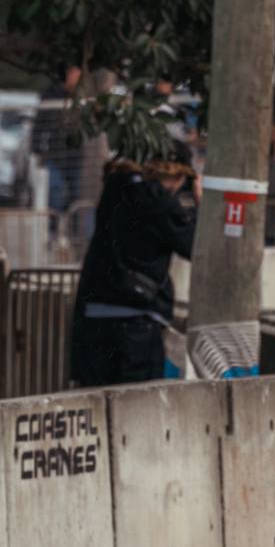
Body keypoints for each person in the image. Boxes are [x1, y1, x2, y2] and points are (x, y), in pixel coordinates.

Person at [70, 146, 199, 386]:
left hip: (93, 318)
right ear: (176, 175)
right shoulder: (159, 203)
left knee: (96, 409)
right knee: (136, 411)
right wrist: (201, 205)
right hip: (136, 325)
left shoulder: (114, 189)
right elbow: (197, 248)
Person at [34, 65, 85, 237]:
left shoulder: (82, 96)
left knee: (75, 198)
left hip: (75, 157)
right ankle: (52, 233)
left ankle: (74, 236)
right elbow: (39, 124)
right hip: (55, 155)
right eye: (74, 75)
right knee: (54, 196)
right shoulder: (51, 94)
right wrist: (37, 149)